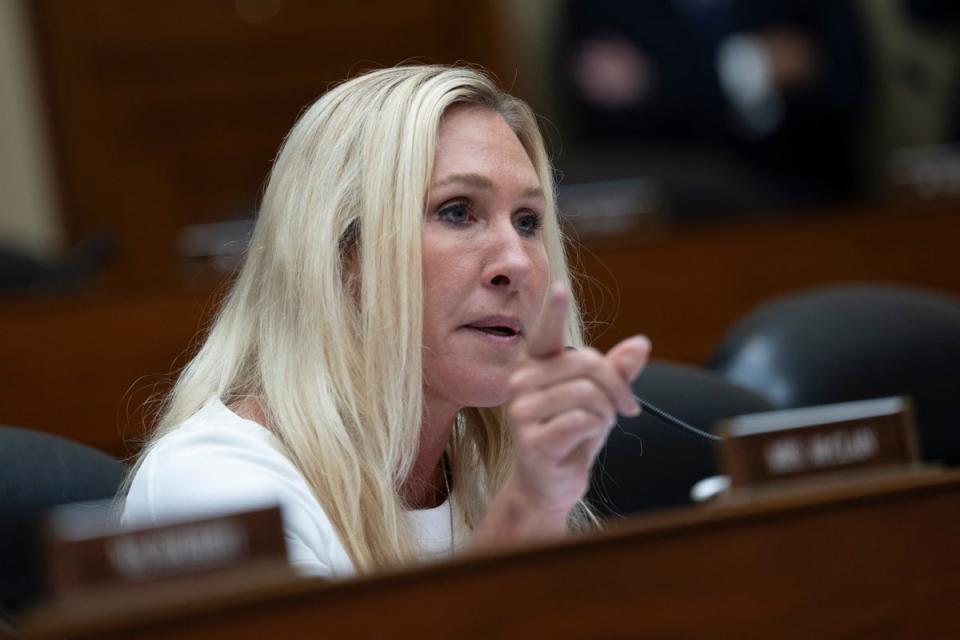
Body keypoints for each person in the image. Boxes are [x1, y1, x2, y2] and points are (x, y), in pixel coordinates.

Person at [121, 65, 651, 577]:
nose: (516, 262)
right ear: (338, 253)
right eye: (458, 211)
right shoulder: (215, 490)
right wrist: (526, 517)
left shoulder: (489, 475)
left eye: (528, 220)